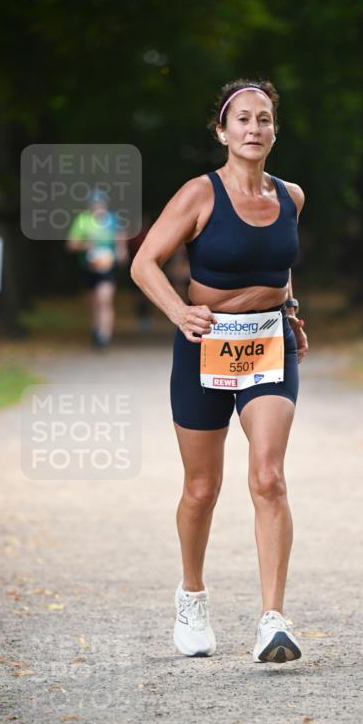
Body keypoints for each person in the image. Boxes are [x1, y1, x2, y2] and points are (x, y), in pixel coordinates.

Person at [130, 79, 308, 663]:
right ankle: (192, 594)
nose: (253, 129)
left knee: (269, 477)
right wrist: (179, 311)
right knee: (202, 489)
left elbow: (280, 268)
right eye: (242, 120)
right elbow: (144, 262)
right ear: (222, 132)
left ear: (274, 129)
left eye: (263, 119)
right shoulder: (199, 195)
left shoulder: (292, 197)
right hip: (205, 346)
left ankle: (272, 620)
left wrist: (292, 311)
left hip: (269, 344)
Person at [66, 189, 128, 348]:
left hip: (107, 267)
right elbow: (71, 244)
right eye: (95, 204)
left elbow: (121, 239)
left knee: (105, 300)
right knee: (93, 301)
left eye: (101, 204)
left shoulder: (114, 220)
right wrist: (86, 244)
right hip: (88, 267)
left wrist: (121, 252)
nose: (98, 207)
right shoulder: (82, 220)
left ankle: (104, 336)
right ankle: (96, 328)